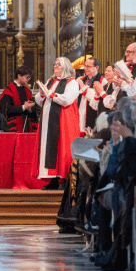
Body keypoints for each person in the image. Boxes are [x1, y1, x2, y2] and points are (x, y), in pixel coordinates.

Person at [32, 57, 80, 190]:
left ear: (65, 67)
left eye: (58, 65)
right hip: (48, 121)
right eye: (55, 64)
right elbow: (39, 100)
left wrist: (50, 94)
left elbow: (67, 99)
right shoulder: (51, 81)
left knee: (63, 148)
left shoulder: (72, 82)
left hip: (64, 120)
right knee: (49, 149)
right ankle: (53, 180)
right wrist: (42, 94)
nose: (55, 67)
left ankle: (65, 180)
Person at [0, 66, 37, 132]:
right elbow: (5, 110)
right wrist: (23, 107)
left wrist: (30, 108)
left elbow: (33, 112)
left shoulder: (28, 91)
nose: (28, 79)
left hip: (27, 128)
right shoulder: (9, 91)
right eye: (27, 77)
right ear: (19, 76)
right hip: (13, 128)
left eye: (29, 77)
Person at [77, 57, 105, 132]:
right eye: (85, 66)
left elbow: (96, 98)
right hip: (80, 114)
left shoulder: (102, 81)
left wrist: (84, 89)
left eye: (88, 66)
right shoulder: (81, 79)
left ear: (96, 68)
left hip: (93, 116)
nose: (85, 68)